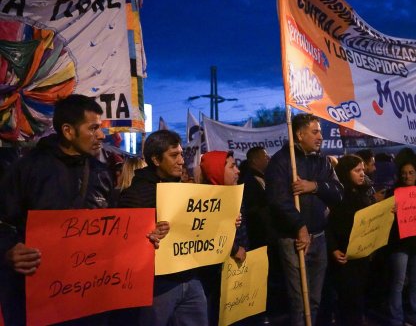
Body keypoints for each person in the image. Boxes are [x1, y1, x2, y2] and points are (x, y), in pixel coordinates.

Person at [0, 94, 114, 325]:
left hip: (91, 296)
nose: (101, 136)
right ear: (68, 131)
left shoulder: (102, 172)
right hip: (38, 297)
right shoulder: (27, 168)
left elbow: (115, 224)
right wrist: (9, 250)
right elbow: (4, 221)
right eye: (93, 128)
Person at [118, 129, 207, 326]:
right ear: (156, 160)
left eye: (181, 154)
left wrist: (223, 222)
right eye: (174, 155)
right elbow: (125, 242)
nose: (182, 161)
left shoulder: (184, 189)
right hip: (157, 285)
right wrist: (147, 234)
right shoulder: (135, 195)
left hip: (191, 278)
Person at [265, 113, 343, 325]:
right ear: (299, 134)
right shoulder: (281, 161)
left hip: (319, 237)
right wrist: (299, 226)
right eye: (315, 131)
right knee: (300, 301)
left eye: (321, 132)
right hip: (294, 240)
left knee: (314, 299)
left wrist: (314, 186)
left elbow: (338, 192)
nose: (321, 137)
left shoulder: (323, 161)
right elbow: (277, 200)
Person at [199, 151, 248, 326]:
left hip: (235, 270)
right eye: (231, 166)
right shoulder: (204, 200)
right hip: (213, 276)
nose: (238, 171)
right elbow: (207, 233)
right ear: (217, 171)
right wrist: (234, 249)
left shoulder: (234, 195)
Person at [327, 154, 376, 326]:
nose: (362, 174)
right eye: (357, 170)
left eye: (363, 169)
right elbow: (329, 226)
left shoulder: (364, 193)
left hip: (362, 255)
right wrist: (333, 249)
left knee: (359, 293)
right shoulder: (336, 195)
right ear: (346, 173)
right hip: (343, 255)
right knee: (347, 296)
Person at [387, 160, 416, 326]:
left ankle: (413, 312)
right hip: (400, 243)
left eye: (411, 172)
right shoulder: (393, 193)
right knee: (398, 281)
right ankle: (396, 317)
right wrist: (390, 210)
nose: (407, 176)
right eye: (404, 172)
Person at [241, 147, 271, 249]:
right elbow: (252, 208)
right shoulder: (249, 182)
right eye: (265, 156)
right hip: (259, 235)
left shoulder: (265, 177)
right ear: (255, 160)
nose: (268, 158)